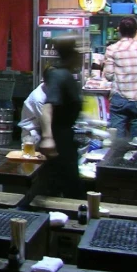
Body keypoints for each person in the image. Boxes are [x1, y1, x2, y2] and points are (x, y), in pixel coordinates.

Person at [39, 36, 85, 199]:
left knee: (57, 183)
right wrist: (47, 138)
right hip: (59, 140)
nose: (81, 57)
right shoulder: (60, 75)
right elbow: (47, 107)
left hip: (64, 137)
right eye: (79, 54)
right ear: (73, 56)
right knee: (65, 184)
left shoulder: (65, 75)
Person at [103, 17, 137, 138]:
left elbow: (109, 75)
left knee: (117, 141)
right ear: (136, 31)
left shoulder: (112, 49)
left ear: (119, 31)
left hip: (120, 99)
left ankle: (118, 156)